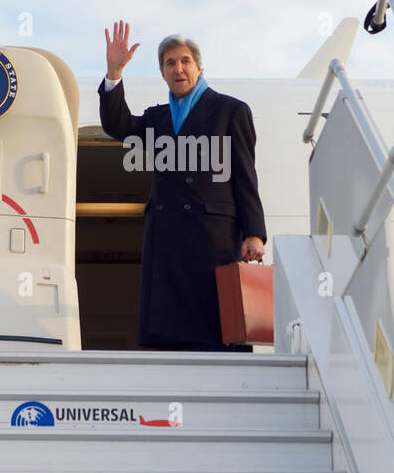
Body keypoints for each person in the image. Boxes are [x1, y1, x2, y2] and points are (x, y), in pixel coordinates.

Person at [98, 20, 267, 351]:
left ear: (199, 67)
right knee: (168, 331)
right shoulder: (157, 118)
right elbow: (118, 125)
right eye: (170, 63)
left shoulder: (230, 110)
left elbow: (245, 173)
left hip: (213, 236)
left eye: (185, 61)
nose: (178, 69)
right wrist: (114, 73)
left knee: (215, 328)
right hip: (167, 237)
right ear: (162, 73)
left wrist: (254, 233)